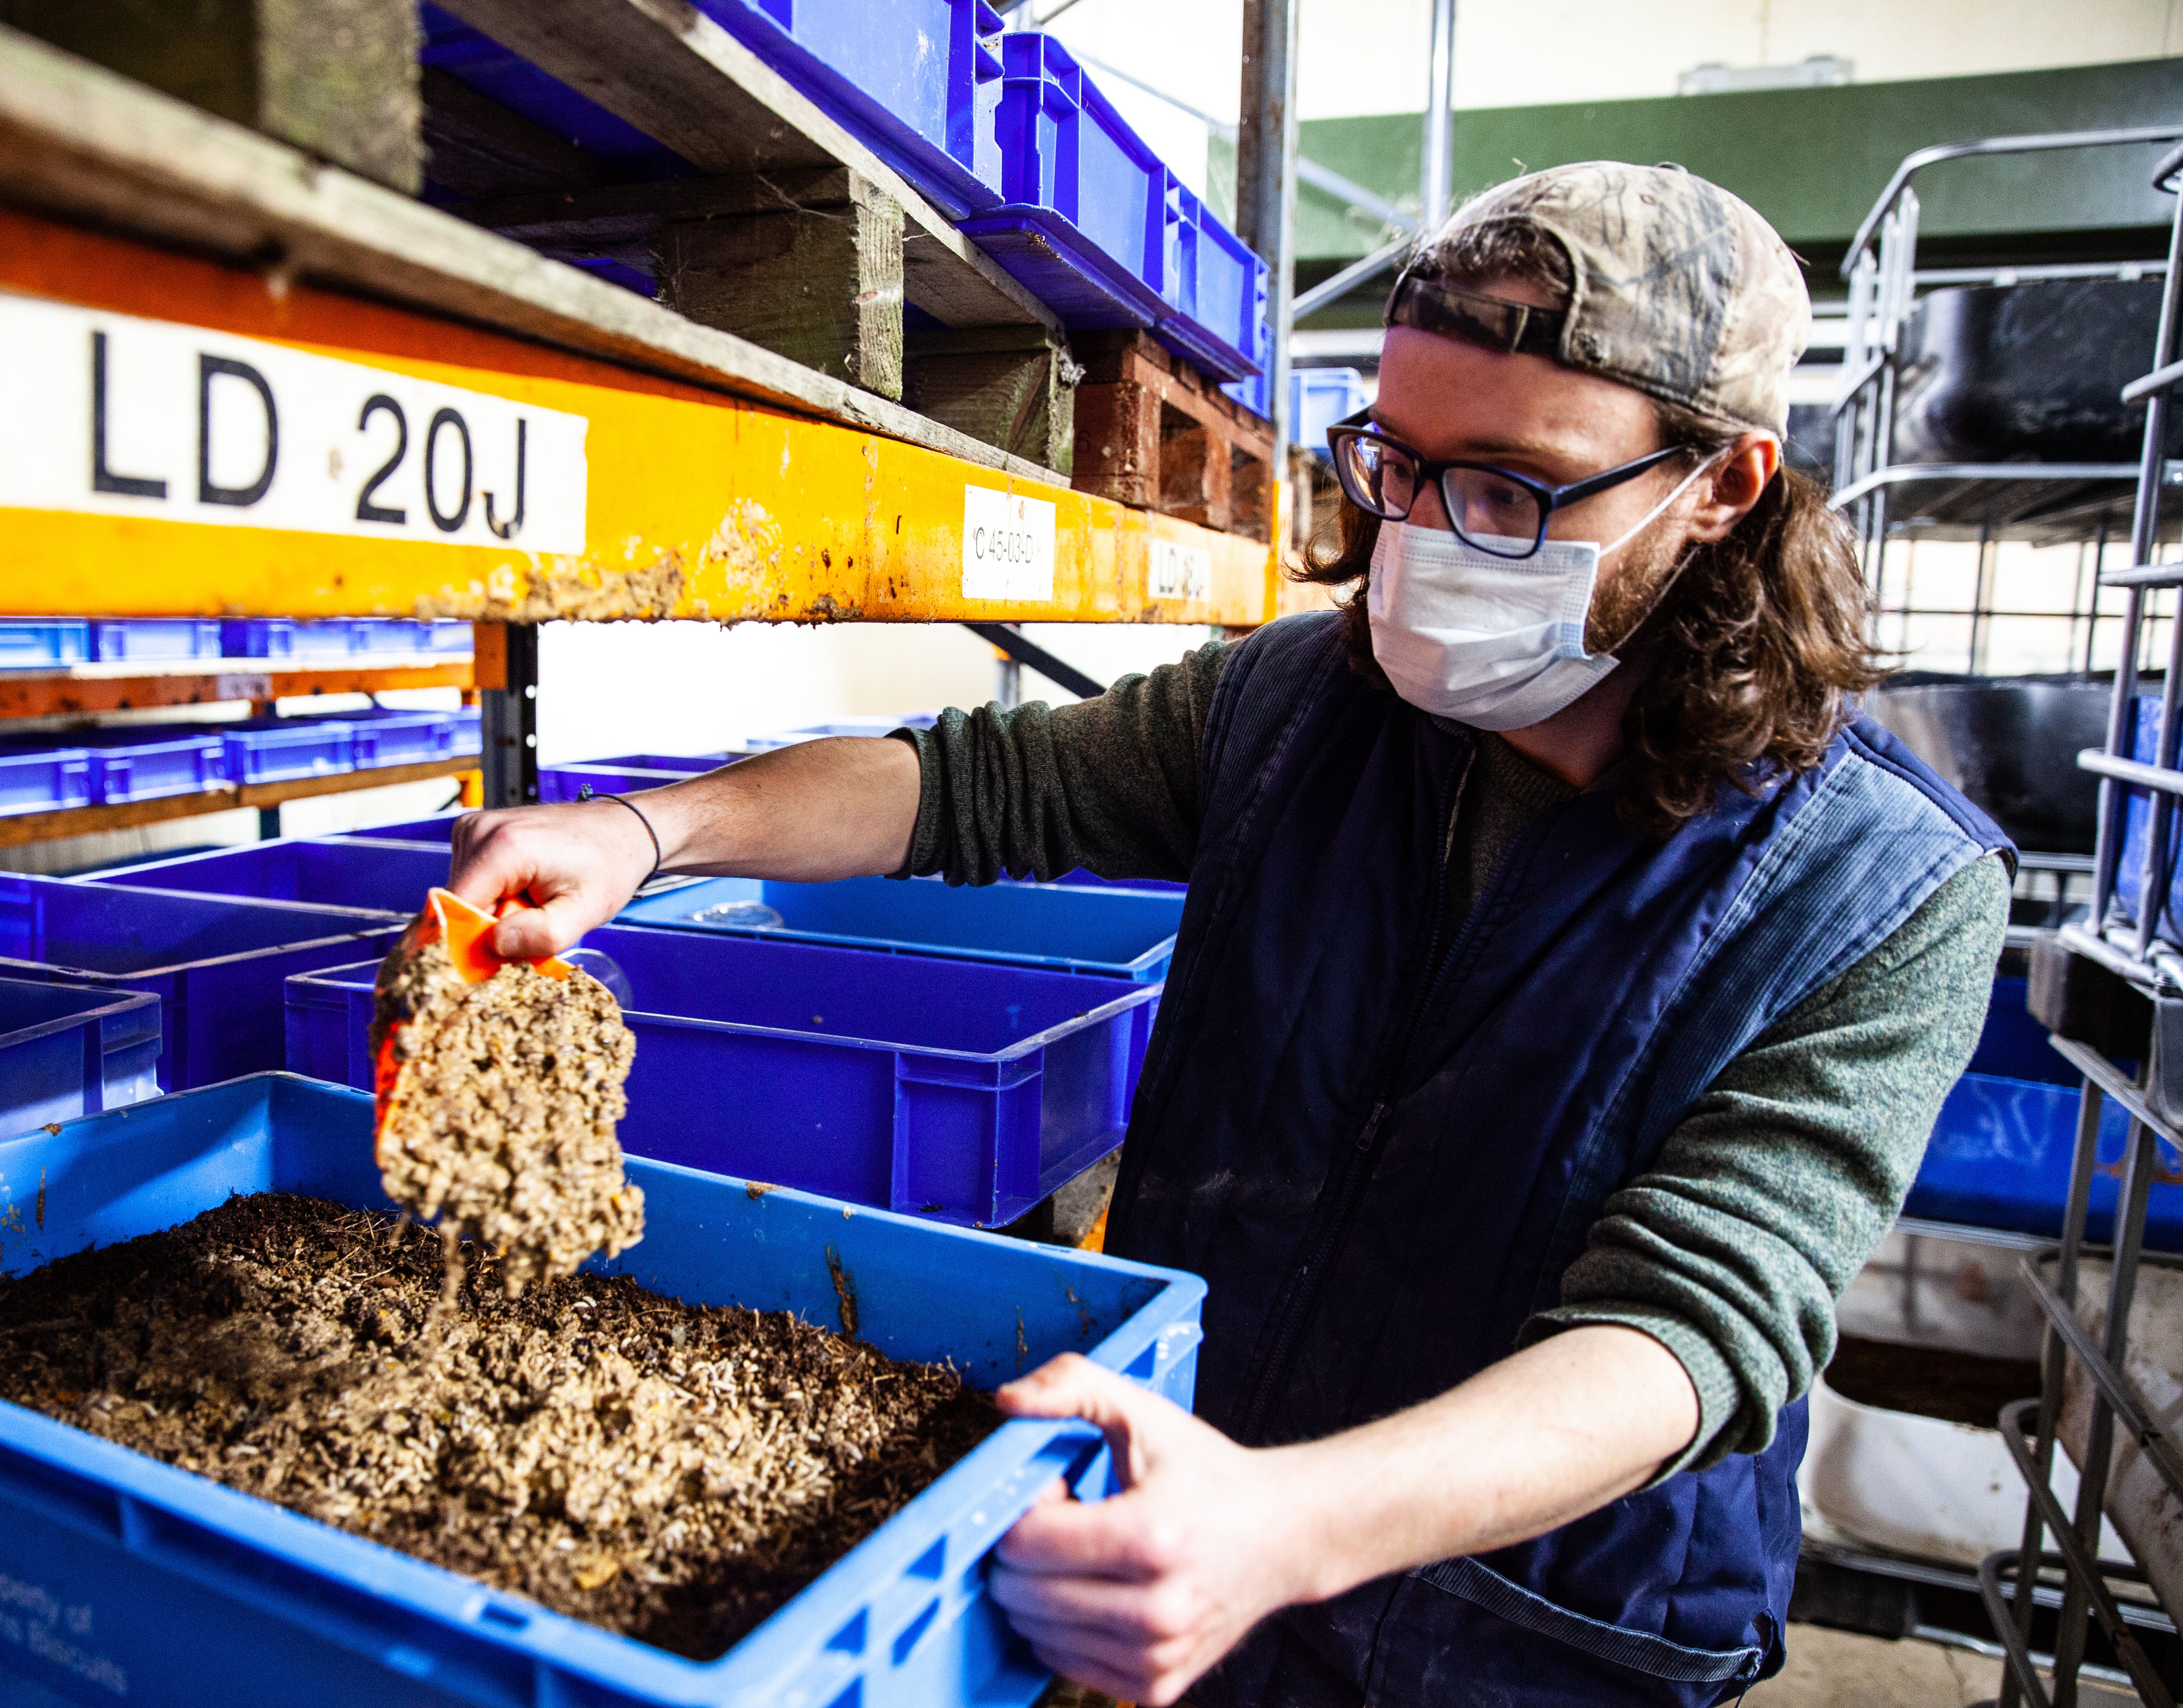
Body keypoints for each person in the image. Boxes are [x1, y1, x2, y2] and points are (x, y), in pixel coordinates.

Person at [446, 162, 2011, 1707]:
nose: (1426, 534)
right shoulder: (1303, 709)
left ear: (1719, 487)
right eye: (1394, 462)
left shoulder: (1883, 888)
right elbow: (979, 786)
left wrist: (1286, 1525)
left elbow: (1693, 1322)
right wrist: (647, 833)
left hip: (1535, 1634)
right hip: (1202, 1507)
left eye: (1509, 487)